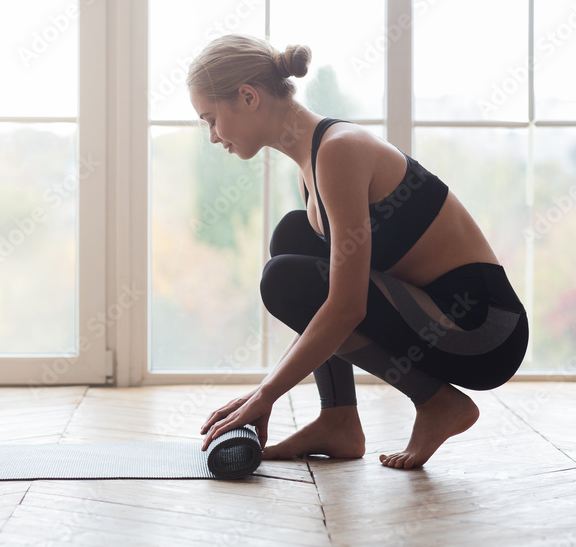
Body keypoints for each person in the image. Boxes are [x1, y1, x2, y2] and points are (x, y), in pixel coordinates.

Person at [191, 34, 528, 468]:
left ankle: (438, 402)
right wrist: (266, 391)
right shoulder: (310, 166)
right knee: (293, 238)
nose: (213, 136)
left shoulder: (337, 152)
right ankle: (339, 420)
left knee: (284, 279)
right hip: (438, 316)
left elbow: (345, 306)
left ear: (249, 96)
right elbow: (329, 299)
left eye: (211, 119)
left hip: (484, 331)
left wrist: (264, 394)